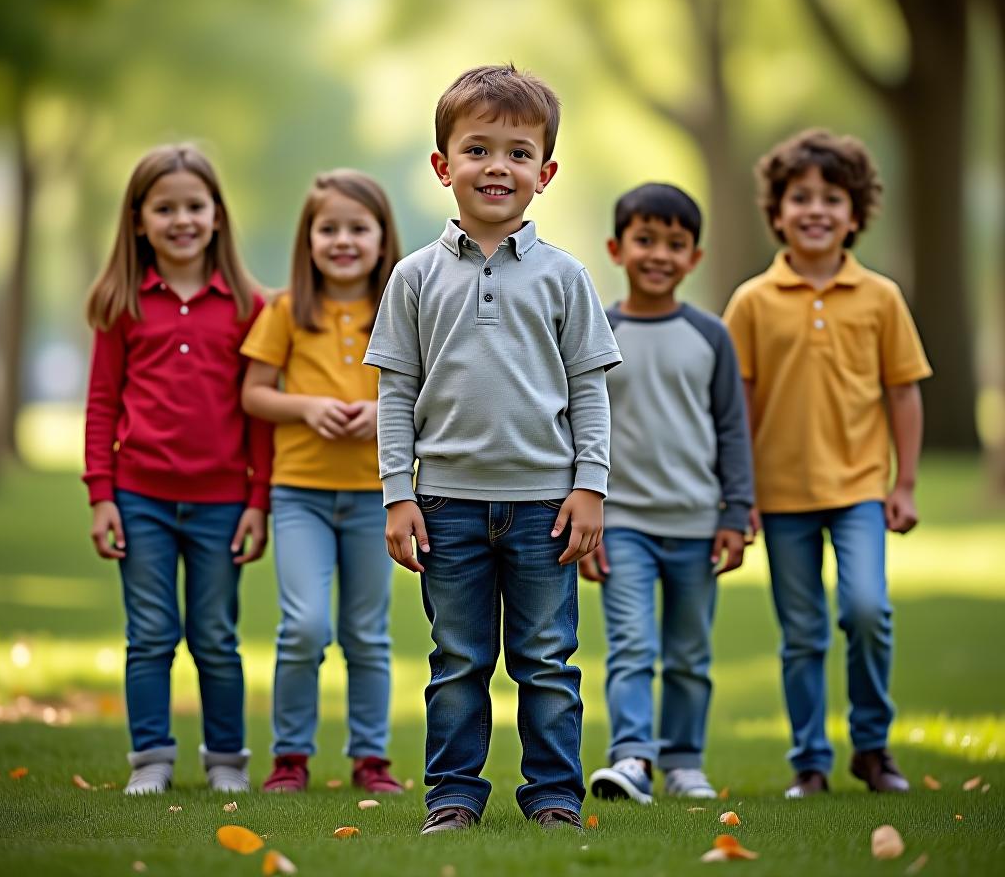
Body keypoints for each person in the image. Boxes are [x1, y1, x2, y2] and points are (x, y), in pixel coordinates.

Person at [364, 64, 622, 834]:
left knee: (547, 662)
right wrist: (398, 493)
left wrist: (591, 486)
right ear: (443, 166)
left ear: (544, 174)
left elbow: (588, 392)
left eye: (517, 153)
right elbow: (395, 395)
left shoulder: (565, 277)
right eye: (477, 150)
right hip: (445, 503)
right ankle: (452, 797)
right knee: (458, 663)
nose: (496, 168)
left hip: (545, 503)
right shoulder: (413, 278)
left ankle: (552, 798)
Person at [723, 129, 932, 798]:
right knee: (802, 631)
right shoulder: (753, 300)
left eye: (832, 198)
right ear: (777, 212)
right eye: (800, 197)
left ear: (856, 212)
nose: (816, 210)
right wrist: (740, 492)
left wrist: (903, 483)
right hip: (780, 495)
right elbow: (739, 405)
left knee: (867, 609)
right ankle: (809, 760)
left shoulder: (880, 297)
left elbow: (903, 391)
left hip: (860, 490)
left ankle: (872, 748)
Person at [83, 143, 271, 795]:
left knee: (216, 635)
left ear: (218, 215)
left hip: (223, 501)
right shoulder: (121, 303)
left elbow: (258, 417)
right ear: (139, 220)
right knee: (150, 633)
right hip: (140, 497)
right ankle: (152, 760)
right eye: (165, 208)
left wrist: (259, 501)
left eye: (195, 206)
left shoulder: (249, 305)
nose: (181, 220)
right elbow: (102, 403)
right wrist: (101, 496)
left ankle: (226, 761)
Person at [582, 183, 753, 804]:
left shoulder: (711, 336)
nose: (659, 254)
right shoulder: (593, 331)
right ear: (616, 248)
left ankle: (683, 759)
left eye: (675, 244)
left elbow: (733, 428)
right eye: (645, 240)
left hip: (697, 524)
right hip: (621, 521)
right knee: (632, 646)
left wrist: (735, 512)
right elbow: (574, 426)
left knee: (688, 652)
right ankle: (631, 759)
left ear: (694, 258)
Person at [241, 169, 404, 795]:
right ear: (307, 238)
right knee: (304, 625)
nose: (343, 240)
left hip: (376, 495)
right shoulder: (287, 311)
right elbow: (254, 394)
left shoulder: (401, 307)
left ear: (381, 237)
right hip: (301, 493)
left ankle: (371, 758)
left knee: (367, 630)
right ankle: (290, 757)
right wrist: (307, 407)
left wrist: (379, 415)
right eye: (328, 228)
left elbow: (422, 395)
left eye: (358, 228)